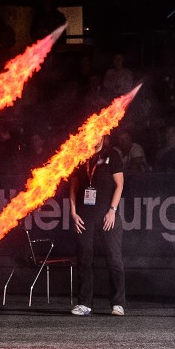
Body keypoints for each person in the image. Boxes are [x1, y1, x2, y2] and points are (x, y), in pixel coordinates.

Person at [67, 134, 127, 316]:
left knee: (114, 258)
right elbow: (73, 186)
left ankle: (118, 303)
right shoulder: (81, 157)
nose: (95, 138)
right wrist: (73, 212)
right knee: (84, 258)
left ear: (103, 136)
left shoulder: (112, 156)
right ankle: (84, 303)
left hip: (107, 215)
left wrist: (112, 210)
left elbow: (120, 185)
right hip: (85, 216)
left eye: (98, 135)